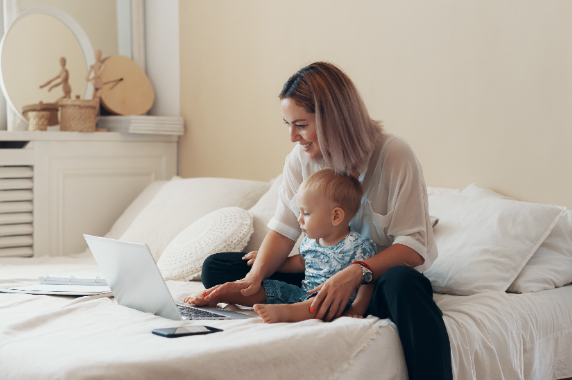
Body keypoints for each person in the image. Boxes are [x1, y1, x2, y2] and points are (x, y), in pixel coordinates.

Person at [194, 62, 452, 380]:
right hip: (317, 277)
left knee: (405, 283)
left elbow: (414, 247)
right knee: (217, 268)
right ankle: (312, 299)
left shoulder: (394, 156)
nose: (292, 136)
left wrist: (356, 274)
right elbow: (284, 227)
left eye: (300, 125)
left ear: (334, 120)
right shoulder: (300, 160)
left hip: (376, 284)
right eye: (288, 124)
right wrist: (255, 278)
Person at [184, 169, 377, 323]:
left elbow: (367, 283)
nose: (299, 219)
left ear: (336, 216)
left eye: (306, 214)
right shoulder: (311, 240)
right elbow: (301, 262)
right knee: (268, 288)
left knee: (316, 304)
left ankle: (285, 313)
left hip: (333, 302)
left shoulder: (359, 246)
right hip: (302, 292)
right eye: (299, 212)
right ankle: (219, 296)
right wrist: (267, 260)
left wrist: (356, 309)